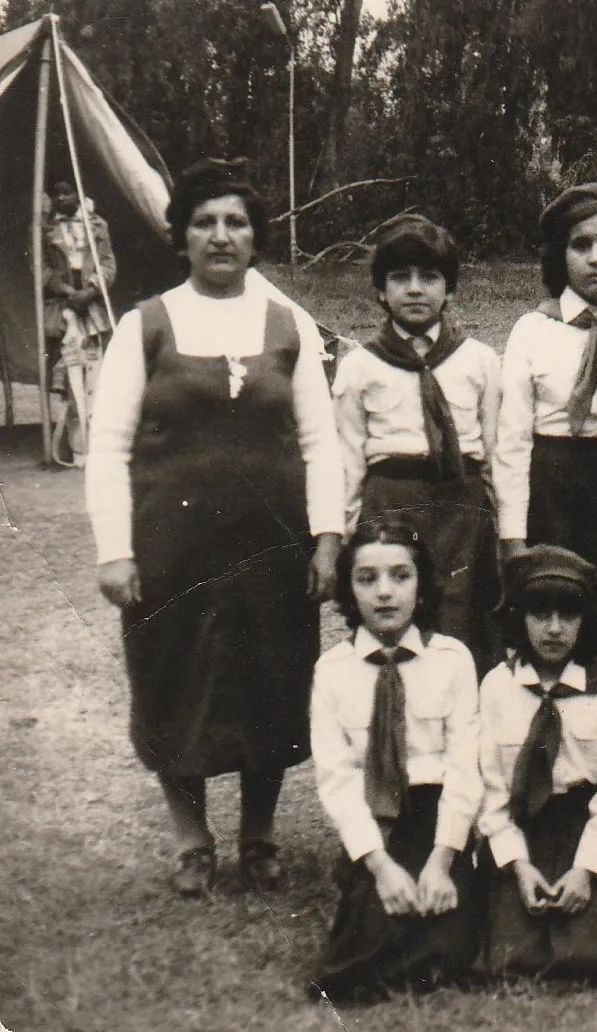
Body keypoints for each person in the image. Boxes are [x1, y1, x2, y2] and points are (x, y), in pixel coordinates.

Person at [86, 158, 343, 897]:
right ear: (182, 236)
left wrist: (326, 537)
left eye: (236, 222)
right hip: (172, 550)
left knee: (270, 679)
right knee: (173, 682)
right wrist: (116, 550)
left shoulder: (288, 325)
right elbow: (106, 447)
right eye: (205, 222)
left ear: (256, 238)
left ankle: (259, 837)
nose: (221, 236)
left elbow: (321, 441)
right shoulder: (145, 326)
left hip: (270, 549)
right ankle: (191, 840)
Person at [307, 518, 483, 1002]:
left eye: (401, 576)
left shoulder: (452, 659)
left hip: (438, 817)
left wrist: (443, 860)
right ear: (349, 589)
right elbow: (337, 781)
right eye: (367, 579)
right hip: (377, 821)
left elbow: (466, 767)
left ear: (422, 586)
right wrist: (381, 867)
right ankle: (365, 892)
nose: (385, 593)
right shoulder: (333, 671)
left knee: (453, 940)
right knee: (356, 962)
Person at [494, 183, 597, 660]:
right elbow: (511, 442)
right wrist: (513, 537)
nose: (595, 259)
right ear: (558, 256)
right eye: (581, 245)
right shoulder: (532, 331)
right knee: (555, 619)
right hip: (554, 489)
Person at [334, 216, 504, 672]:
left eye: (429, 278)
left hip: (462, 509)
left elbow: (495, 453)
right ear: (379, 290)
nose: (414, 289)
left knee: (464, 620)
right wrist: (346, 534)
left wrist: (505, 530)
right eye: (400, 278)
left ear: (449, 290)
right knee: (395, 616)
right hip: (392, 502)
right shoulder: (359, 367)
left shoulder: (480, 360)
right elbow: (349, 460)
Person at [475, 545, 597, 979]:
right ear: (518, 617)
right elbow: (490, 788)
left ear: (585, 621)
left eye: (568, 615)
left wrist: (586, 869)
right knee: (511, 958)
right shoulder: (497, 687)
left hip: (585, 824)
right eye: (539, 613)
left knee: (589, 960)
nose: (553, 628)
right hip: (522, 823)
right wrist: (518, 864)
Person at [43, 180, 117, 463]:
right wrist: (66, 291)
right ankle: (75, 448)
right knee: (68, 378)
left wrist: (93, 289)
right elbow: (41, 268)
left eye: (67, 192)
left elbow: (108, 263)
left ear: (78, 192)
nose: (62, 198)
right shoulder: (44, 229)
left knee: (96, 373)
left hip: (92, 305)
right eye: (57, 194)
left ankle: (97, 445)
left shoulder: (97, 225)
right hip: (62, 307)